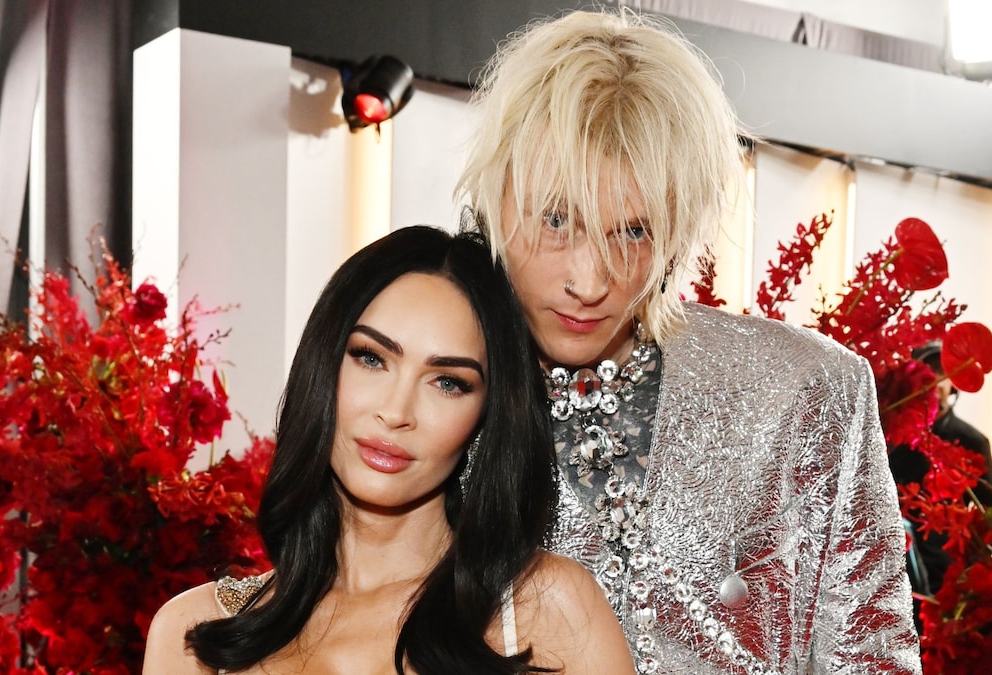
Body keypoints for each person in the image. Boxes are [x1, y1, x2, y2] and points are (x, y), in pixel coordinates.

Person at [455, 9, 921, 673]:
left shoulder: (804, 390)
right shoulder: (441, 388)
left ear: (680, 226)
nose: (588, 280)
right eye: (556, 219)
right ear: (496, 197)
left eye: (633, 231)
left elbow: (871, 658)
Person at [144, 226, 634, 674]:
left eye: (448, 382)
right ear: (324, 365)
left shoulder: (548, 610)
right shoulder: (193, 635)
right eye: (371, 358)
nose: (397, 412)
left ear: (486, 417)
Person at [891, 341, 992, 620]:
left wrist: (968, 583)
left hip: (946, 583)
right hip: (895, 576)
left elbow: (989, 519)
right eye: (927, 371)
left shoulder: (972, 441)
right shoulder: (893, 438)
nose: (934, 382)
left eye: (942, 373)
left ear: (953, 383)